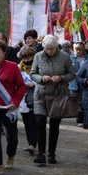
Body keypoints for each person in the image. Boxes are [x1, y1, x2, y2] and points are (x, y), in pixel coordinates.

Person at [30, 34, 75, 165]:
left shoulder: (64, 57)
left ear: (56, 47)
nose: (49, 51)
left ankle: (51, 154)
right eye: (47, 49)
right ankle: (41, 154)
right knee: (39, 123)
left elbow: (72, 74)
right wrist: (41, 78)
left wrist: (61, 78)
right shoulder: (38, 56)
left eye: (52, 49)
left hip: (57, 95)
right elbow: (33, 73)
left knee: (54, 125)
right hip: (41, 95)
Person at [0, 40, 26, 175]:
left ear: (4, 53)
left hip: (8, 106)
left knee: (12, 136)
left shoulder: (12, 66)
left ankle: (10, 155)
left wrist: (15, 102)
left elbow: (21, 86)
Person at [18, 46, 38, 155]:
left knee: (33, 121)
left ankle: (33, 144)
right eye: (24, 58)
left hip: (35, 97)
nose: (26, 60)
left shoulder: (38, 66)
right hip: (23, 98)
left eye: (29, 57)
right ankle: (30, 143)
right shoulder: (19, 68)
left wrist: (33, 84)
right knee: (26, 122)